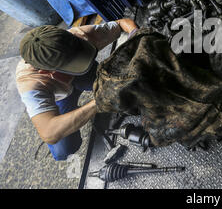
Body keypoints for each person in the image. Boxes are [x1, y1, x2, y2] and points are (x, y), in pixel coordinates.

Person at [16, 19, 138, 161]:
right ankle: (79, 111)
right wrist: (98, 102)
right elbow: (48, 132)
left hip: (83, 77)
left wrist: (137, 36)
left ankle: (103, 92)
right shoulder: (30, 83)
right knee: (63, 150)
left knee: (117, 86)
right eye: (73, 64)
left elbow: (123, 23)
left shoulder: (76, 36)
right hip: (60, 98)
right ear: (46, 72)